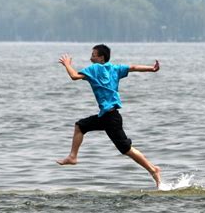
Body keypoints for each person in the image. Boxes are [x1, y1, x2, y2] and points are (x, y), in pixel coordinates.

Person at [56, 44, 162, 187]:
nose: (91, 56)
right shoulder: (115, 68)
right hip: (108, 116)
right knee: (80, 126)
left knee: (126, 149)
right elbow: (134, 67)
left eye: (93, 54)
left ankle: (153, 169)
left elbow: (74, 76)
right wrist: (152, 68)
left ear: (101, 58)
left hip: (110, 118)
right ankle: (72, 156)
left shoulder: (94, 69)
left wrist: (67, 64)